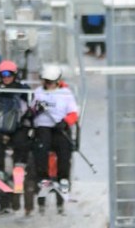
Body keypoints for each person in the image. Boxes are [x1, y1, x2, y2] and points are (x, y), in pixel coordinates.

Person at [0, 60, 33, 210]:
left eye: (8, 74)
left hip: (18, 125)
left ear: (15, 74)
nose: (5, 77)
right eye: (2, 75)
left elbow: (31, 106)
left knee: (21, 139)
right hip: (1, 125)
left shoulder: (22, 89)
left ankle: (20, 164)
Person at [29, 63, 79, 194]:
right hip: (43, 126)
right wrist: (36, 110)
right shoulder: (39, 92)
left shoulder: (65, 93)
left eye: (51, 82)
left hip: (59, 126)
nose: (49, 84)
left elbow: (74, 113)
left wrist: (65, 122)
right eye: (46, 81)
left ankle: (63, 177)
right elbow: (31, 110)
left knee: (64, 147)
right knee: (41, 146)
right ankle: (43, 177)